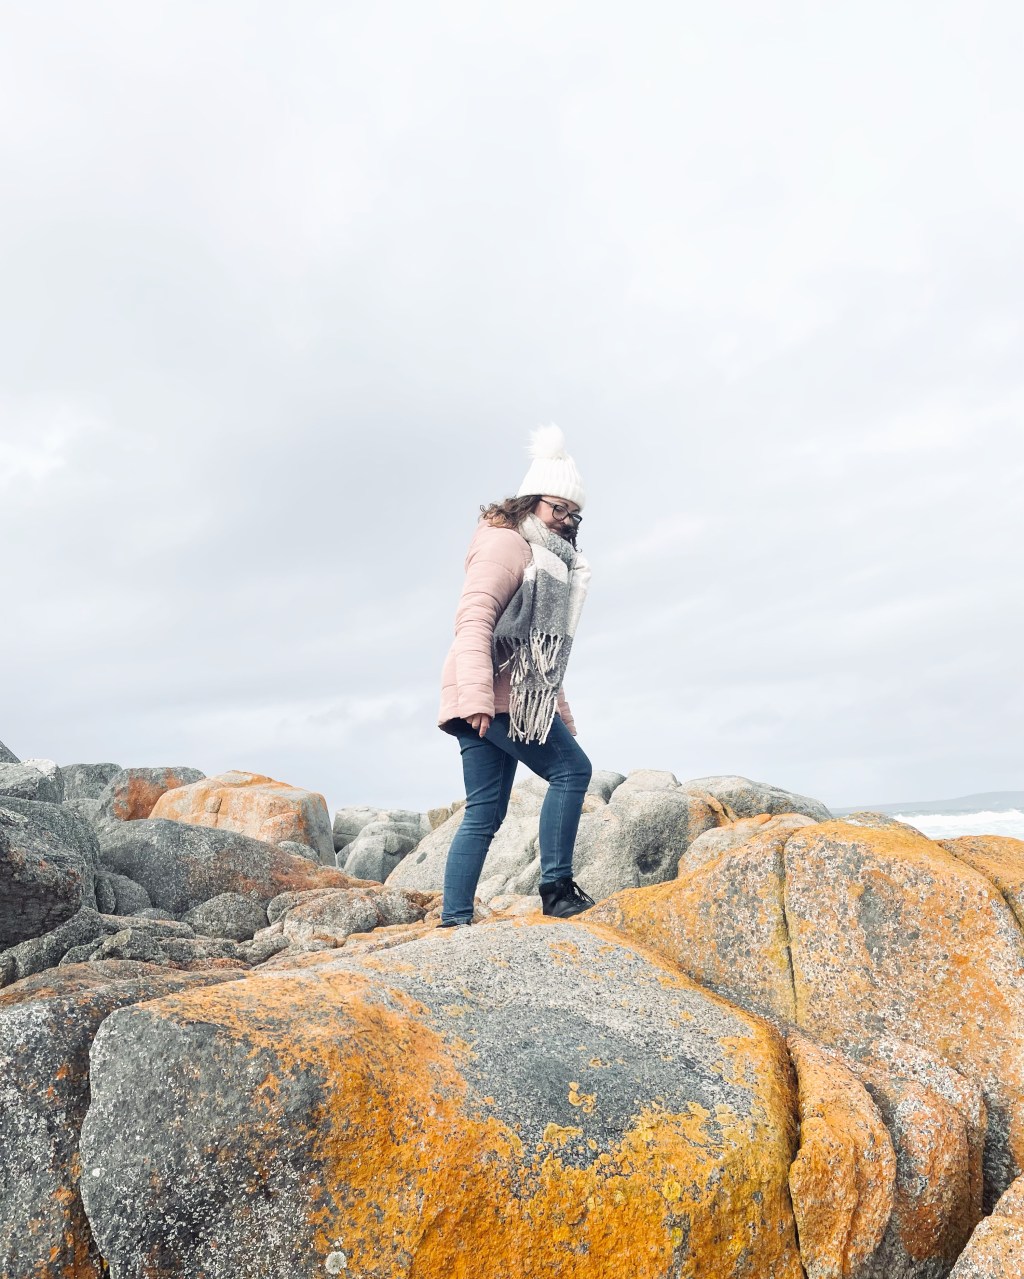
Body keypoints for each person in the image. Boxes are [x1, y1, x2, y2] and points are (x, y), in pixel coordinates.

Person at [437, 425, 595, 927]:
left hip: (496, 695)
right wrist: (479, 698)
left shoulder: (542, 552)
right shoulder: (506, 546)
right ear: (530, 501)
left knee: (483, 813)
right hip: (494, 698)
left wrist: (561, 712)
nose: (567, 520)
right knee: (573, 772)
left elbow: (540, 650)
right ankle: (556, 888)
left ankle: (454, 920)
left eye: (574, 513)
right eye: (558, 508)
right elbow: (473, 622)